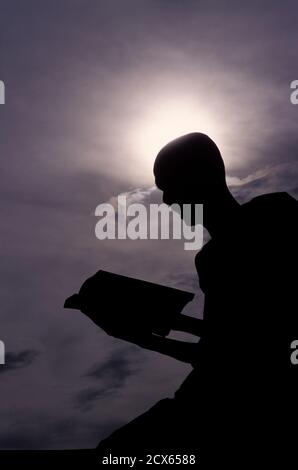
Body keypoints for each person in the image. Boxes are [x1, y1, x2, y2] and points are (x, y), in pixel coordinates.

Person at [153, 132, 298, 466]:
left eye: (168, 184)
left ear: (201, 175)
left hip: (251, 403)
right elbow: (220, 348)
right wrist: (142, 333)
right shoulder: (210, 259)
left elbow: (230, 357)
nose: (165, 200)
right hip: (225, 397)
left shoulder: (272, 214)